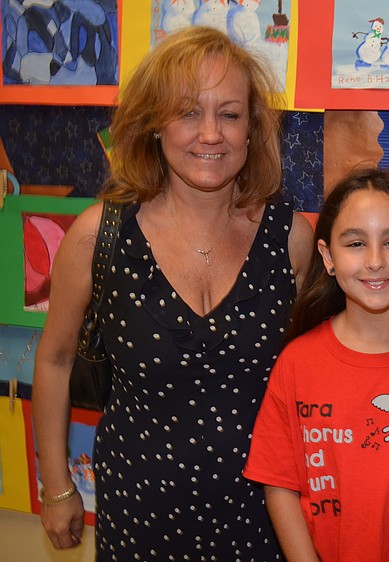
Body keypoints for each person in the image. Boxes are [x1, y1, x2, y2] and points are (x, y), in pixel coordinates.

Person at [32, 26, 313, 561]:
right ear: (154, 124)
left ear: (251, 129)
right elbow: (55, 359)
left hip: (266, 515)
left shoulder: (289, 238)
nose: (210, 134)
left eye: (229, 114)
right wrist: (58, 487)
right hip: (139, 515)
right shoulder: (98, 236)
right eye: (187, 112)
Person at [243, 168, 389, 562]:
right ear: (327, 257)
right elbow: (279, 484)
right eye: (355, 243)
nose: (374, 261)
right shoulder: (297, 362)